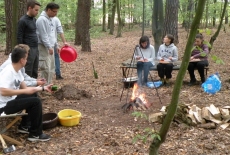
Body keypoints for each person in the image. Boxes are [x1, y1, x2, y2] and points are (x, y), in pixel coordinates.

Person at [0, 44, 53, 142]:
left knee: (32, 96)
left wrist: (43, 88)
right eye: (26, 58)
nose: (27, 60)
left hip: (11, 100)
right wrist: (23, 91)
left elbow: (26, 88)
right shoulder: (8, 71)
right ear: (21, 60)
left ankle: (25, 126)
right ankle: (36, 134)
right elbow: (2, 91)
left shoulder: (17, 70)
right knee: (36, 102)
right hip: (3, 106)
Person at [36, 2, 60, 84]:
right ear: (48, 10)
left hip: (51, 47)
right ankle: (43, 87)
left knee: (51, 68)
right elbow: (44, 36)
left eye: (56, 12)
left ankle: (48, 85)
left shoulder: (51, 19)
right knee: (46, 68)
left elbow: (52, 34)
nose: (55, 13)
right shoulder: (41, 20)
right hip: (44, 47)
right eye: (54, 11)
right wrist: (49, 47)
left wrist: (56, 45)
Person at [17, 1, 41, 78]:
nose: (37, 12)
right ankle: (26, 88)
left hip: (35, 47)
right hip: (28, 48)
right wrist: (23, 50)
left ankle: (34, 87)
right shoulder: (22, 20)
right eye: (36, 10)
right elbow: (19, 36)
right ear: (29, 8)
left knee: (35, 68)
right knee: (28, 69)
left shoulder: (34, 20)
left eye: (38, 10)